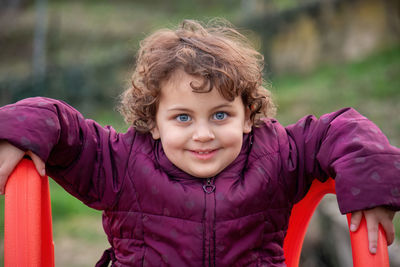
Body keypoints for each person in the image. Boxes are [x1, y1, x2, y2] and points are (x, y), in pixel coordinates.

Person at [0, 19, 399, 267]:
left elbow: (343, 128)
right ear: (153, 123)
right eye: (182, 118)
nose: (203, 133)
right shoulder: (120, 162)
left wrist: (371, 189)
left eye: (221, 115)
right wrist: (14, 132)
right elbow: (59, 122)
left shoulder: (277, 155)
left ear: (248, 116)